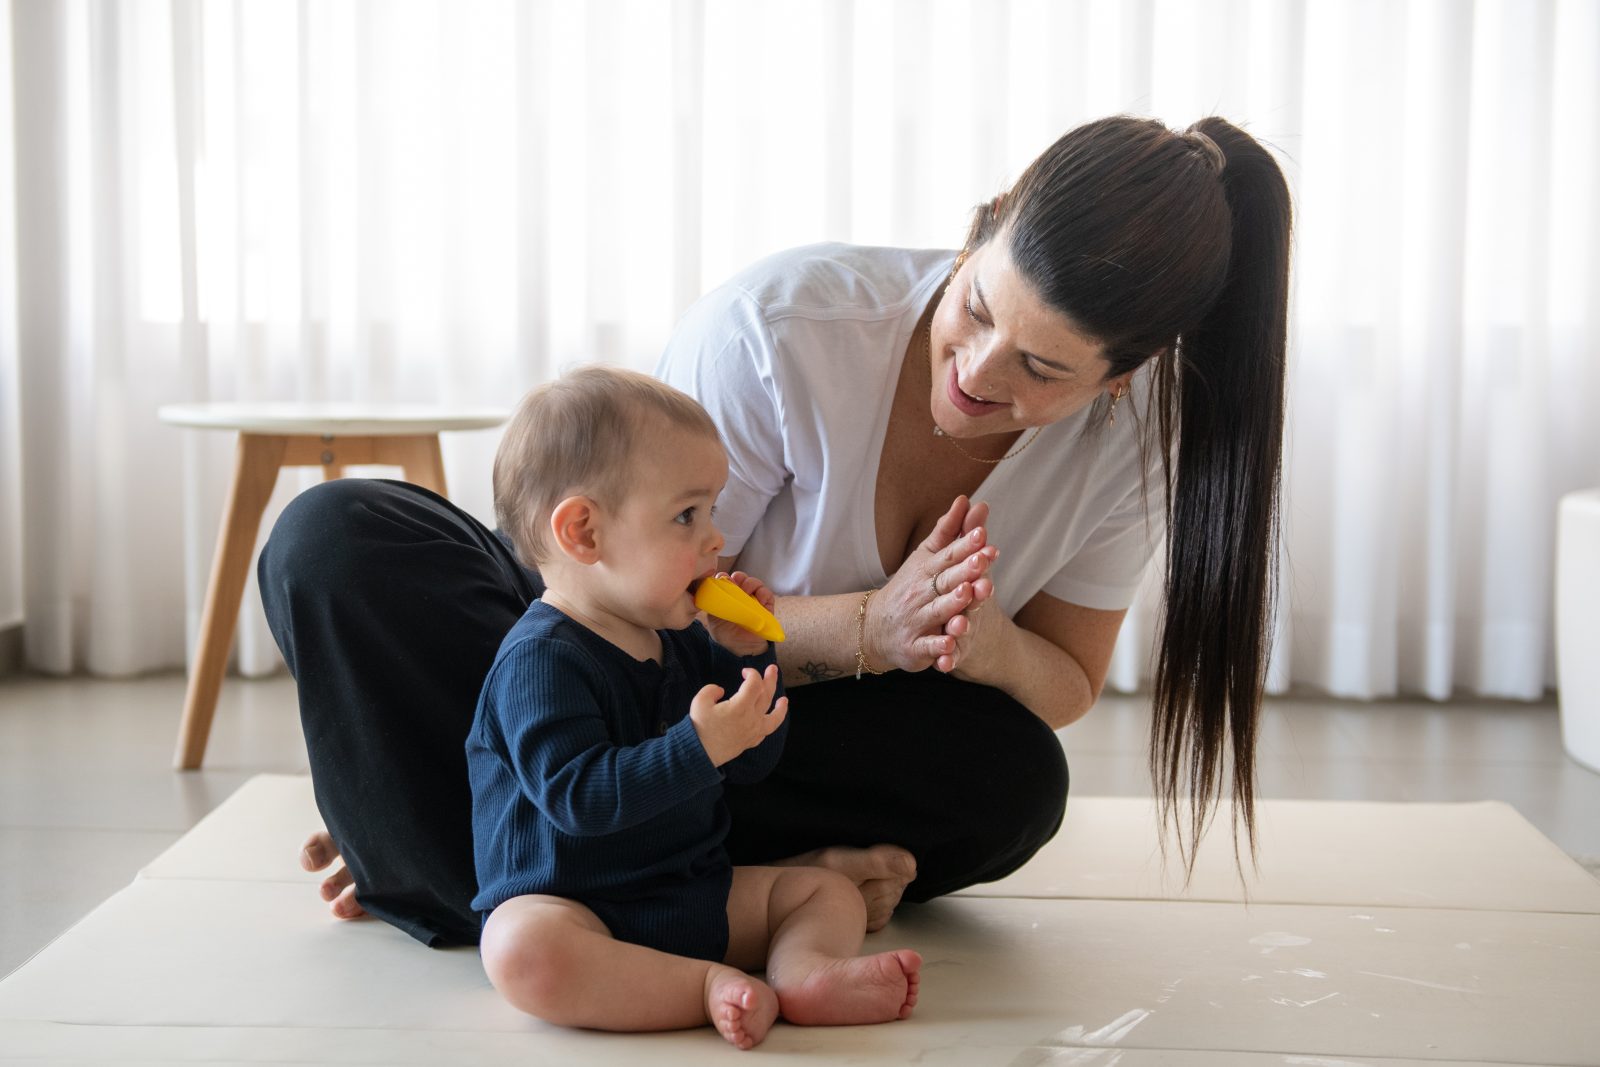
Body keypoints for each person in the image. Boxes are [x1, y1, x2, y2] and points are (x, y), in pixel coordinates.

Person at [261, 114, 1292, 948]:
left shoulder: (1134, 447)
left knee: (1013, 778)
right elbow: (628, 612)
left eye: (1042, 369)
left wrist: (984, 646)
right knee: (335, 534)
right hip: (598, 660)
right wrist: (870, 625)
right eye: (978, 308)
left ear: (1118, 380)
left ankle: (482, 846)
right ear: (978, 232)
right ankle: (599, 853)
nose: (978, 374)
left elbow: (1063, 683)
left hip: (756, 735)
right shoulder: (782, 327)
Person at [470, 368, 918, 1048]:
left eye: (713, 510)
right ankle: (704, 986)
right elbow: (578, 798)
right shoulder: (539, 661)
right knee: (519, 949)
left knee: (826, 892)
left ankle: (805, 973)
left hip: (687, 891)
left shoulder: (681, 639)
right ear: (584, 533)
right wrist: (699, 746)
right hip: (577, 909)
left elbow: (755, 764)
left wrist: (748, 660)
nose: (715, 537)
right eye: (688, 515)